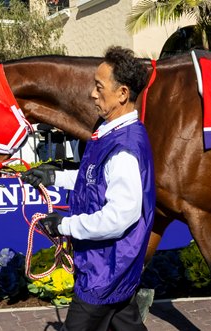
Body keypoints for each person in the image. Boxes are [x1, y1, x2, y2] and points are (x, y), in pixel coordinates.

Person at [22, 46, 154, 331]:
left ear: (122, 94)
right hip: (109, 265)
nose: (92, 94)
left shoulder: (124, 150)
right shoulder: (110, 133)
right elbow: (93, 180)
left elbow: (120, 217)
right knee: (126, 324)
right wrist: (54, 177)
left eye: (99, 87)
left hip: (105, 269)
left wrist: (65, 225)